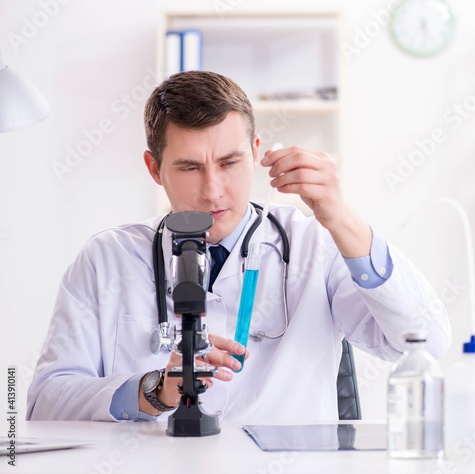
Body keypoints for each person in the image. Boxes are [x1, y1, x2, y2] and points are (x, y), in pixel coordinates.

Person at [27, 71, 451, 422]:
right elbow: (44, 403)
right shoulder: (107, 259)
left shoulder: (313, 244)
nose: (213, 191)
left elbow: (426, 343)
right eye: (190, 167)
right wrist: (152, 391)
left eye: (229, 163)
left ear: (255, 152)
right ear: (154, 169)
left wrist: (341, 218)